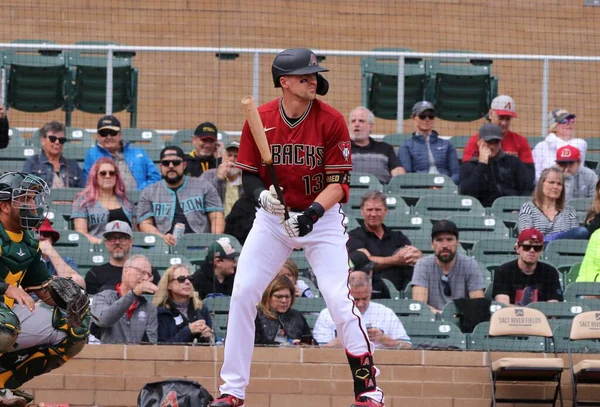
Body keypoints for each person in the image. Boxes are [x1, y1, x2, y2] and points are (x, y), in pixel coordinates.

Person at [211, 48, 385, 407]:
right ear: (284, 82)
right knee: (243, 293)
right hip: (274, 221)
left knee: (339, 299)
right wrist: (262, 198)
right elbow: (249, 176)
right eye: (304, 75)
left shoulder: (332, 119)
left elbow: (338, 184)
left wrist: (313, 213)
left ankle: (368, 388)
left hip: (322, 220)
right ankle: (232, 390)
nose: (312, 79)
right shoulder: (259, 118)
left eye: (313, 74)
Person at [0, 172, 90, 406]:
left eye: (33, 199)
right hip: (4, 320)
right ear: (4, 206)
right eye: (25, 200)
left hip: (8, 318)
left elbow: (42, 289)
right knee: (4, 325)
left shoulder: (28, 240)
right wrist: (6, 288)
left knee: (72, 330)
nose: (33, 206)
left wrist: (68, 299)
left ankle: (3, 385)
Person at [137, 146, 224, 246]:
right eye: (166, 163)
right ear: (161, 166)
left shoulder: (204, 186)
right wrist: (161, 237)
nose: (171, 166)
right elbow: (144, 224)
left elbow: (217, 217)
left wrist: (214, 243)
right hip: (164, 247)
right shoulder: (149, 192)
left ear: (184, 165)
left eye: (176, 162)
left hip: (200, 245)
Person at [313, 271, 411, 349]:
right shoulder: (328, 314)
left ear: (370, 292)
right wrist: (341, 341)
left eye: (365, 298)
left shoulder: (385, 313)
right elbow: (317, 351)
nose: (360, 304)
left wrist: (384, 340)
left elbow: (408, 347)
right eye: (355, 299)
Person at [347, 191, 422, 292]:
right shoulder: (354, 236)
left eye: (378, 210)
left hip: (402, 291)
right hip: (370, 293)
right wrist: (395, 260)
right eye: (369, 210)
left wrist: (417, 255)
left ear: (385, 211)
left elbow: (410, 256)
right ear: (362, 211)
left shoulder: (398, 237)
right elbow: (366, 263)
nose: (373, 214)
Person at [410, 220, 485, 314]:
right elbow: (419, 306)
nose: (445, 245)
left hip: (463, 322)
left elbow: (478, 306)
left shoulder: (470, 264)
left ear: (457, 242)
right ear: (432, 244)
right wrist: (444, 315)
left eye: (449, 239)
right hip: (432, 322)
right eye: (439, 240)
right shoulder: (423, 265)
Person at [459, 123, 533, 207]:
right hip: (481, 212)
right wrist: (482, 165)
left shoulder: (513, 162)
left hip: (511, 210)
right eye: (489, 142)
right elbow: (467, 194)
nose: (492, 146)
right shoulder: (468, 166)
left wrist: (518, 207)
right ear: (479, 141)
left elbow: (527, 188)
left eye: (496, 142)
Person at [462, 95, 534, 181]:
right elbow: (466, 174)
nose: (504, 123)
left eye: (508, 119)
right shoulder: (475, 140)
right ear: (491, 114)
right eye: (501, 118)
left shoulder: (521, 141)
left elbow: (529, 174)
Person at [90, 254, 158, 344]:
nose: (145, 278)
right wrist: (134, 293)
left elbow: (151, 345)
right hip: (106, 356)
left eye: (148, 275)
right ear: (126, 271)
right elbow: (104, 320)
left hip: (136, 357)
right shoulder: (102, 297)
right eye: (141, 272)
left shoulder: (149, 308)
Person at [82, 115, 161, 192]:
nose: (108, 137)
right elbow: (88, 182)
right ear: (98, 136)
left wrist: (139, 192)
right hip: (108, 201)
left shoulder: (139, 153)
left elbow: (155, 177)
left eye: (112, 132)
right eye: (104, 133)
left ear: (120, 134)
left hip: (139, 201)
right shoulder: (91, 154)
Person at [85, 220, 160, 295]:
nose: (117, 242)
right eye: (112, 239)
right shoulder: (94, 274)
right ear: (106, 243)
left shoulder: (148, 271)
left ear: (131, 242)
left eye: (122, 238)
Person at [492, 228, 563, 306]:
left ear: (541, 250)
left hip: (541, 318)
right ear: (517, 248)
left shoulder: (550, 272)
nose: (532, 250)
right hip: (511, 317)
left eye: (537, 248)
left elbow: (553, 308)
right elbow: (503, 307)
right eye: (527, 247)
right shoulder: (503, 271)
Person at [72, 157, 133, 245]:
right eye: (103, 173)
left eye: (112, 173)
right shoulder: (82, 201)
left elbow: (135, 232)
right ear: (95, 177)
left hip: (126, 251)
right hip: (96, 251)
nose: (108, 176)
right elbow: (81, 234)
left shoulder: (126, 201)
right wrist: (104, 244)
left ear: (116, 177)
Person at [398, 101, 460, 184]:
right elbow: (407, 175)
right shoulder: (406, 145)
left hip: (445, 187)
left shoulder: (447, 144)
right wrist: (425, 186)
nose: (427, 119)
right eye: (422, 116)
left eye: (430, 116)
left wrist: (447, 186)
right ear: (413, 118)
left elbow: (456, 172)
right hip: (419, 188)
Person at [154, 264, 213, 344]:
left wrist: (207, 337)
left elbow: (211, 344)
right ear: (169, 285)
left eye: (190, 279)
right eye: (181, 279)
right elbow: (161, 348)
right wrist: (188, 331)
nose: (188, 282)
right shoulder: (160, 312)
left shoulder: (201, 309)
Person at [517, 167, 579, 239]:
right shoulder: (528, 208)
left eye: (559, 184)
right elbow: (526, 236)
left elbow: (575, 240)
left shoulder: (570, 211)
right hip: (536, 248)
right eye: (551, 182)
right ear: (541, 183)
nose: (555, 187)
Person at [348, 106, 404, 184]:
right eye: (353, 121)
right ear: (349, 125)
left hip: (379, 193)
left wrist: (398, 175)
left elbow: (398, 170)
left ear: (371, 126)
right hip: (349, 192)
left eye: (361, 121)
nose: (356, 124)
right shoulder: (342, 149)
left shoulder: (385, 149)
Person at [254, 275, 314, 346]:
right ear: (268, 296)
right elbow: (257, 342)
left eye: (287, 297)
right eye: (279, 296)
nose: (284, 300)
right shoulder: (256, 314)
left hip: (294, 355)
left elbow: (310, 341)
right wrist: (285, 345)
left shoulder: (297, 316)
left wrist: (306, 344)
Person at [533, 109, 587, 184]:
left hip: (572, 188)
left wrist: (552, 140)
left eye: (571, 120)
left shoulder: (579, 144)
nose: (569, 123)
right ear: (553, 126)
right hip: (546, 188)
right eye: (564, 121)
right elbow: (536, 175)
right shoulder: (541, 146)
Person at [23, 121, 84, 188]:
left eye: (61, 140)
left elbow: (83, 192)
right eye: (53, 139)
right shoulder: (32, 163)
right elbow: (25, 188)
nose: (57, 142)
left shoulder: (73, 165)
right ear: (43, 140)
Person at [37, 218, 86, 288]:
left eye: (46, 234)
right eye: (37, 234)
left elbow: (79, 285)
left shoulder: (66, 261)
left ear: (52, 238)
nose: (41, 237)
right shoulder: (22, 259)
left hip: (55, 298)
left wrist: (51, 252)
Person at [200, 141, 243, 216]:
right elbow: (200, 198)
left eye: (236, 156)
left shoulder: (247, 179)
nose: (232, 159)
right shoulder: (208, 175)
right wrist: (219, 178)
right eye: (229, 155)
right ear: (223, 157)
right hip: (215, 223)